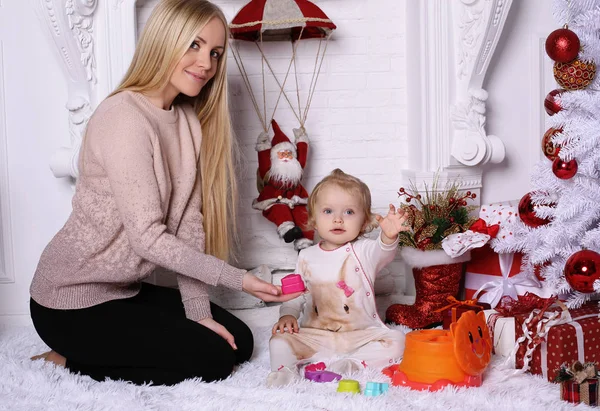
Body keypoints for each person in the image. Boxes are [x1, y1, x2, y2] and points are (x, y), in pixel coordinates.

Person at [29, 0, 302, 386]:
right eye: (194, 44)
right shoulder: (123, 117)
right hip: (69, 301)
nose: (206, 63)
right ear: (164, 40)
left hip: (122, 290)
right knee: (213, 361)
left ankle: (106, 349)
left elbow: (188, 228)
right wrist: (237, 279)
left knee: (238, 341)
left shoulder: (187, 122)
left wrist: (198, 311)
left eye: (215, 52)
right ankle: (69, 358)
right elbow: (147, 239)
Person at [267, 169, 409, 387]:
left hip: (359, 334)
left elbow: (384, 252)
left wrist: (389, 236)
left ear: (364, 222)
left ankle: (353, 363)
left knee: (398, 341)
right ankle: (284, 371)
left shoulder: (364, 251)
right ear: (314, 219)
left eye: (349, 212)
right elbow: (294, 295)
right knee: (278, 341)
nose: (338, 219)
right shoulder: (306, 256)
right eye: (328, 211)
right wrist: (287, 315)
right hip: (316, 335)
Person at [252, 119, 313, 251]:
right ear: (274, 156)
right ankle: (288, 231)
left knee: (303, 215)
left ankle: (305, 243)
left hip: (295, 199)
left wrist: (301, 139)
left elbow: (302, 157)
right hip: (274, 199)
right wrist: (263, 146)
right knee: (280, 210)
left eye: (289, 154)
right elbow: (263, 162)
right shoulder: (270, 171)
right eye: (281, 154)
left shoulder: (296, 169)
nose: (285, 157)